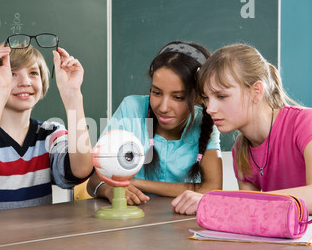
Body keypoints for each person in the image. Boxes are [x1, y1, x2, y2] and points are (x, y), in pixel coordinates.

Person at [171, 43, 312, 250]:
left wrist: (221, 202)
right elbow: (251, 221)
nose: (210, 109)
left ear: (256, 91)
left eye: (221, 96)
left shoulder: (308, 121)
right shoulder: (241, 149)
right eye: (207, 99)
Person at [0, 40, 93, 213]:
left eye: (33, 73)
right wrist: (0, 91)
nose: (25, 82)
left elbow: (82, 169)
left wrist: (73, 94)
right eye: (13, 74)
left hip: (34, 238)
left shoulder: (50, 134)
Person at [87, 41, 223, 214]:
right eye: (156, 92)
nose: (163, 107)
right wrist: (109, 190)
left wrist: (137, 183)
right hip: (130, 227)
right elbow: (94, 181)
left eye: (178, 97)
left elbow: (213, 190)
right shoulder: (132, 108)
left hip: (180, 228)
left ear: (197, 96)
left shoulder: (206, 121)